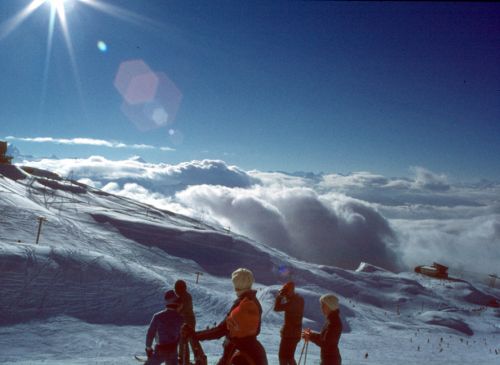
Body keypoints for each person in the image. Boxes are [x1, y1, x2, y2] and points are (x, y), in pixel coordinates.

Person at [184, 268, 268, 365]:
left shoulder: (240, 305)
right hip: (257, 353)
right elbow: (257, 330)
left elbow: (221, 330)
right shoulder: (256, 302)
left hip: (236, 354)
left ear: (236, 285)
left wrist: (195, 336)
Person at [145, 290, 184, 365]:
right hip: (173, 350)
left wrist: (148, 348)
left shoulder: (158, 317)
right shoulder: (180, 318)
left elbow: (150, 334)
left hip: (160, 350)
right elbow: (180, 336)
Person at [302, 294, 342, 365]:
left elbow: (326, 343)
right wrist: (311, 335)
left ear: (330, 306)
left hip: (331, 361)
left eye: (323, 305)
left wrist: (310, 337)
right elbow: (325, 338)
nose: (321, 308)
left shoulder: (334, 323)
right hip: (329, 359)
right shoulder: (331, 320)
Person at [273, 281, 304, 365]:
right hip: (295, 334)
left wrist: (279, 297)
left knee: (283, 357)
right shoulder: (299, 300)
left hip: (289, 335)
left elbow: (276, 308)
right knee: (289, 357)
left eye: (286, 291)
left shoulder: (292, 303)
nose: (285, 294)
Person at [175, 279, 196, 364]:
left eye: (176, 289)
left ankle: (184, 360)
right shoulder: (182, 296)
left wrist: (177, 311)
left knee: (184, 341)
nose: (176, 291)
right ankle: (183, 359)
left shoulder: (185, 297)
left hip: (188, 322)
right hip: (186, 321)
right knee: (184, 341)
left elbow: (184, 310)